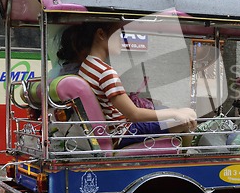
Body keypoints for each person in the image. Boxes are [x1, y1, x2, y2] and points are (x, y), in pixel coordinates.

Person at [69, 22, 197, 148]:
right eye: (119, 34)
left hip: (114, 131)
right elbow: (134, 114)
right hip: (123, 132)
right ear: (101, 34)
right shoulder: (105, 72)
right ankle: (182, 158)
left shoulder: (86, 66)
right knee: (187, 117)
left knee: (185, 113)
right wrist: (174, 113)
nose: (123, 40)